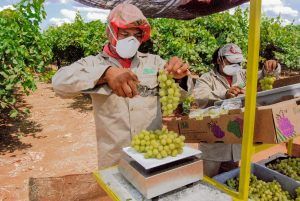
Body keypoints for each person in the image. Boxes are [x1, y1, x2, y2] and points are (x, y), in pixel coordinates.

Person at [52, 3, 190, 169]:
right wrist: (105, 74)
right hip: (115, 159)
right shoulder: (93, 63)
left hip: (153, 153)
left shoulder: (154, 62)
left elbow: (181, 96)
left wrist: (179, 78)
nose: (131, 40)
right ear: (110, 33)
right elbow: (59, 83)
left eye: (137, 35)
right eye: (125, 33)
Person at [192, 43, 281, 177]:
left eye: (238, 62)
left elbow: (263, 75)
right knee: (208, 180)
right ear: (219, 60)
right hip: (214, 146)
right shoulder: (207, 78)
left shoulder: (243, 75)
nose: (235, 65)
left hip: (235, 142)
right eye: (231, 61)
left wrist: (272, 67)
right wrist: (224, 93)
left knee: (229, 179)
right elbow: (199, 96)